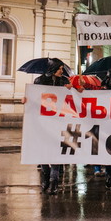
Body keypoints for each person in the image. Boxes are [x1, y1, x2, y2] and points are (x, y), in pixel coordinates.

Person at [34, 59, 71, 194]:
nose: (62, 71)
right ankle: (45, 179)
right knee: (43, 153)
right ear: (52, 69)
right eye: (60, 68)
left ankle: (54, 182)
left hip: (58, 122)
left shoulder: (64, 81)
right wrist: (26, 99)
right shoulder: (39, 81)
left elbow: (73, 97)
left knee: (56, 152)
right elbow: (34, 98)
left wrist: (72, 89)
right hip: (43, 122)